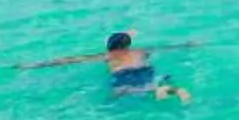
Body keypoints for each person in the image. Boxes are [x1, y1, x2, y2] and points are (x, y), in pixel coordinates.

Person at [29, 30, 192, 101]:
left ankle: (158, 91)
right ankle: (168, 89)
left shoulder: (107, 56)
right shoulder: (140, 51)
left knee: (117, 96)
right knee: (152, 83)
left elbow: (70, 60)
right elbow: (167, 47)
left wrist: (35, 65)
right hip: (146, 70)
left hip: (124, 74)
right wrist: (188, 44)